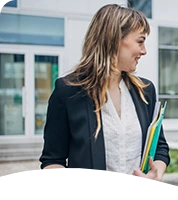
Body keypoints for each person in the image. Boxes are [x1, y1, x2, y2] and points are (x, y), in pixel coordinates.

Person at [39, 4, 170, 181]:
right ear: (114, 39)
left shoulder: (145, 91)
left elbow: (160, 147)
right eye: (140, 41)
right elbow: (53, 159)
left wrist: (156, 173)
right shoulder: (68, 91)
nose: (144, 51)